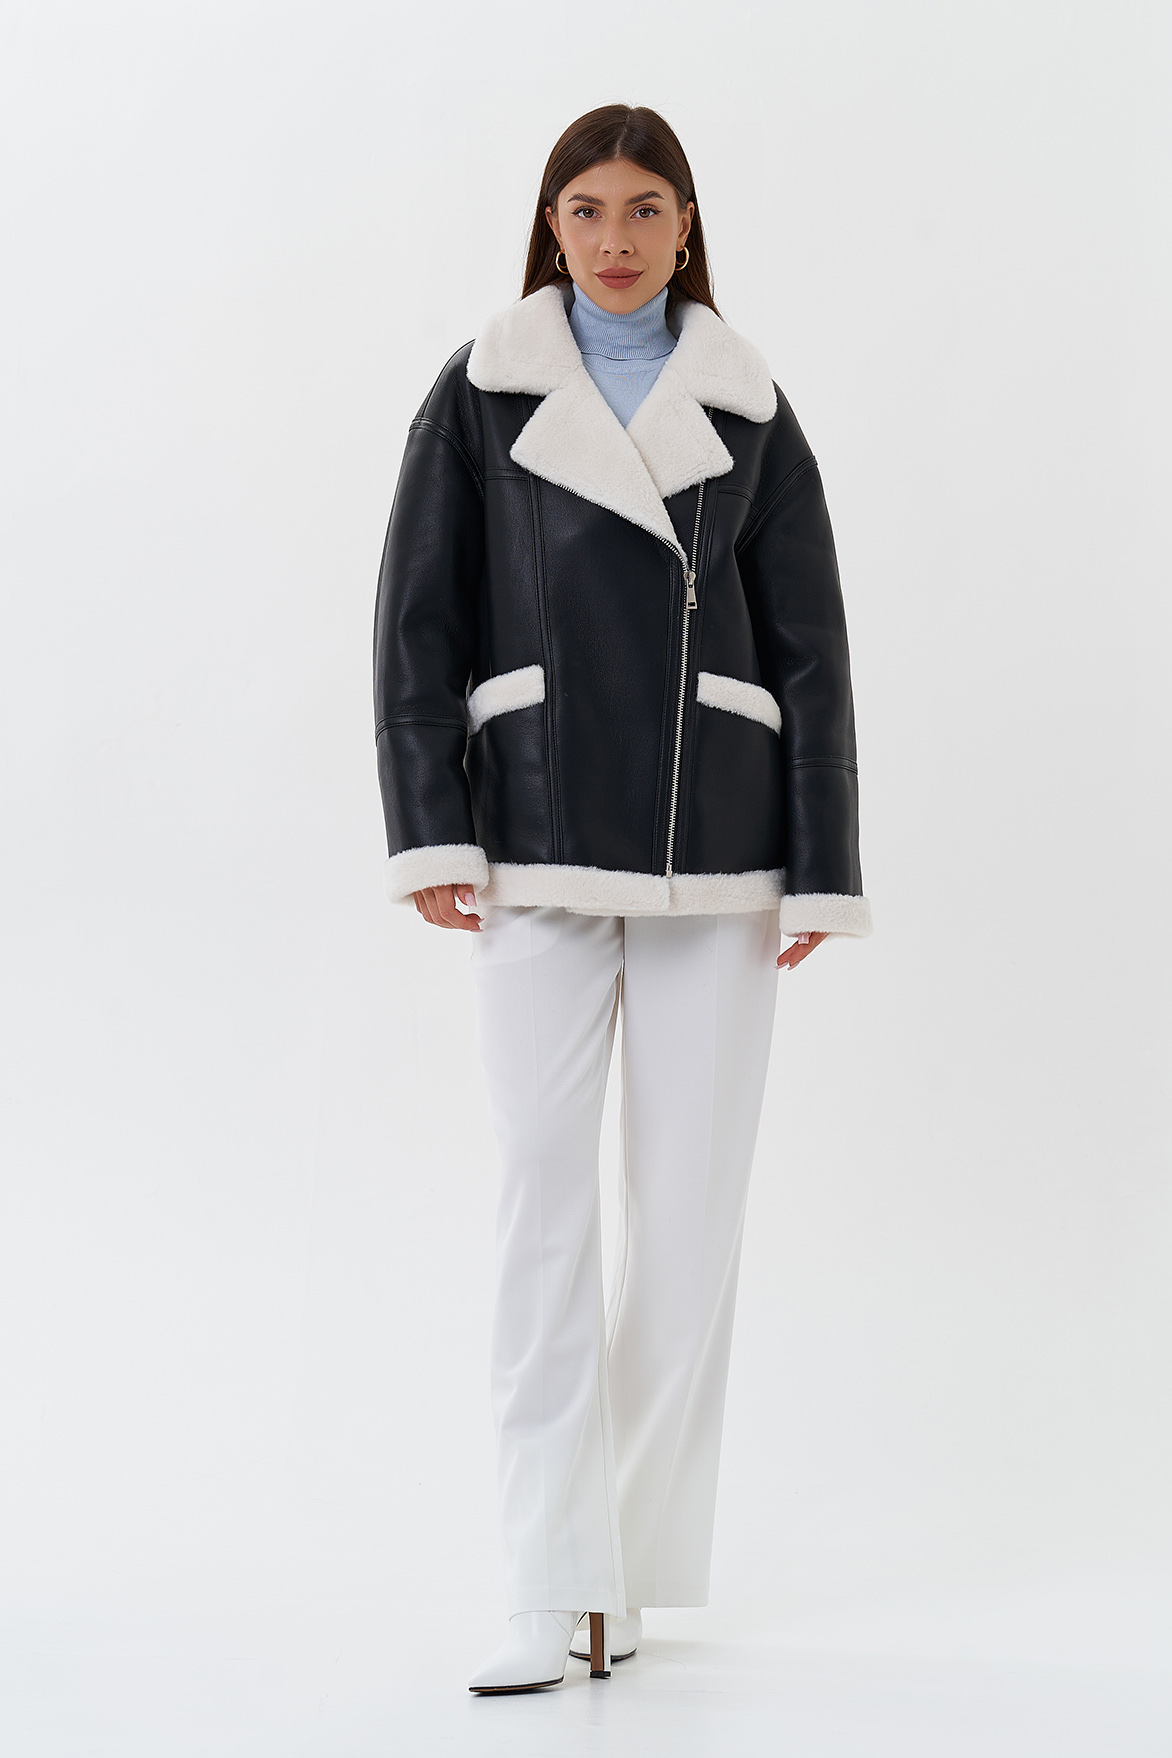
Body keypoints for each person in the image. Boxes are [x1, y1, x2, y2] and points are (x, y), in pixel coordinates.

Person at [372, 103, 872, 1695]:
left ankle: (622, 1576)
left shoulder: (751, 404)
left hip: (713, 844)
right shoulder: (478, 390)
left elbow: (813, 645)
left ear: (685, 225)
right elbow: (415, 620)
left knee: (689, 1220)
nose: (613, 236)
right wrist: (435, 834)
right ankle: (547, 1576)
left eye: (645, 207)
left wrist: (821, 858)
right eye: (585, 207)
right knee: (542, 1200)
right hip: (532, 835)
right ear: (551, 223)